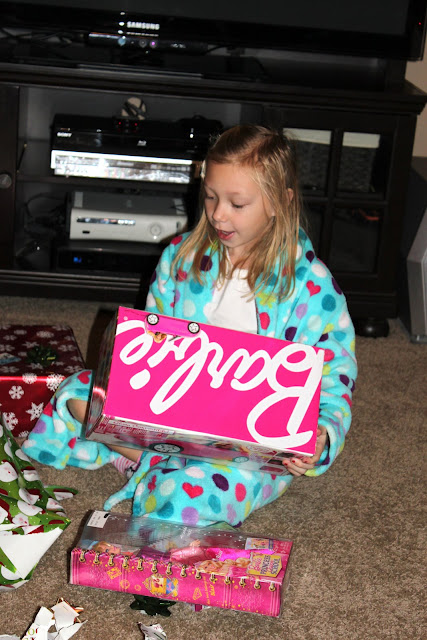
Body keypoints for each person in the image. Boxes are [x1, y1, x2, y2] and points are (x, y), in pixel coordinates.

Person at [22, 124, 357, 527]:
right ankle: (159, 461)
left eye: (237, 203)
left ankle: (155, 466)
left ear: (280, 203)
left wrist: (321, 436)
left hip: (248, 440)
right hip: (176, 408)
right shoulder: (182, 258)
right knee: (80, 394)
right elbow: (154, 346)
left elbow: (336, 378)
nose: (218, 214)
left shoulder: (312, 287)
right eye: (211, 196)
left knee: (197, 494)